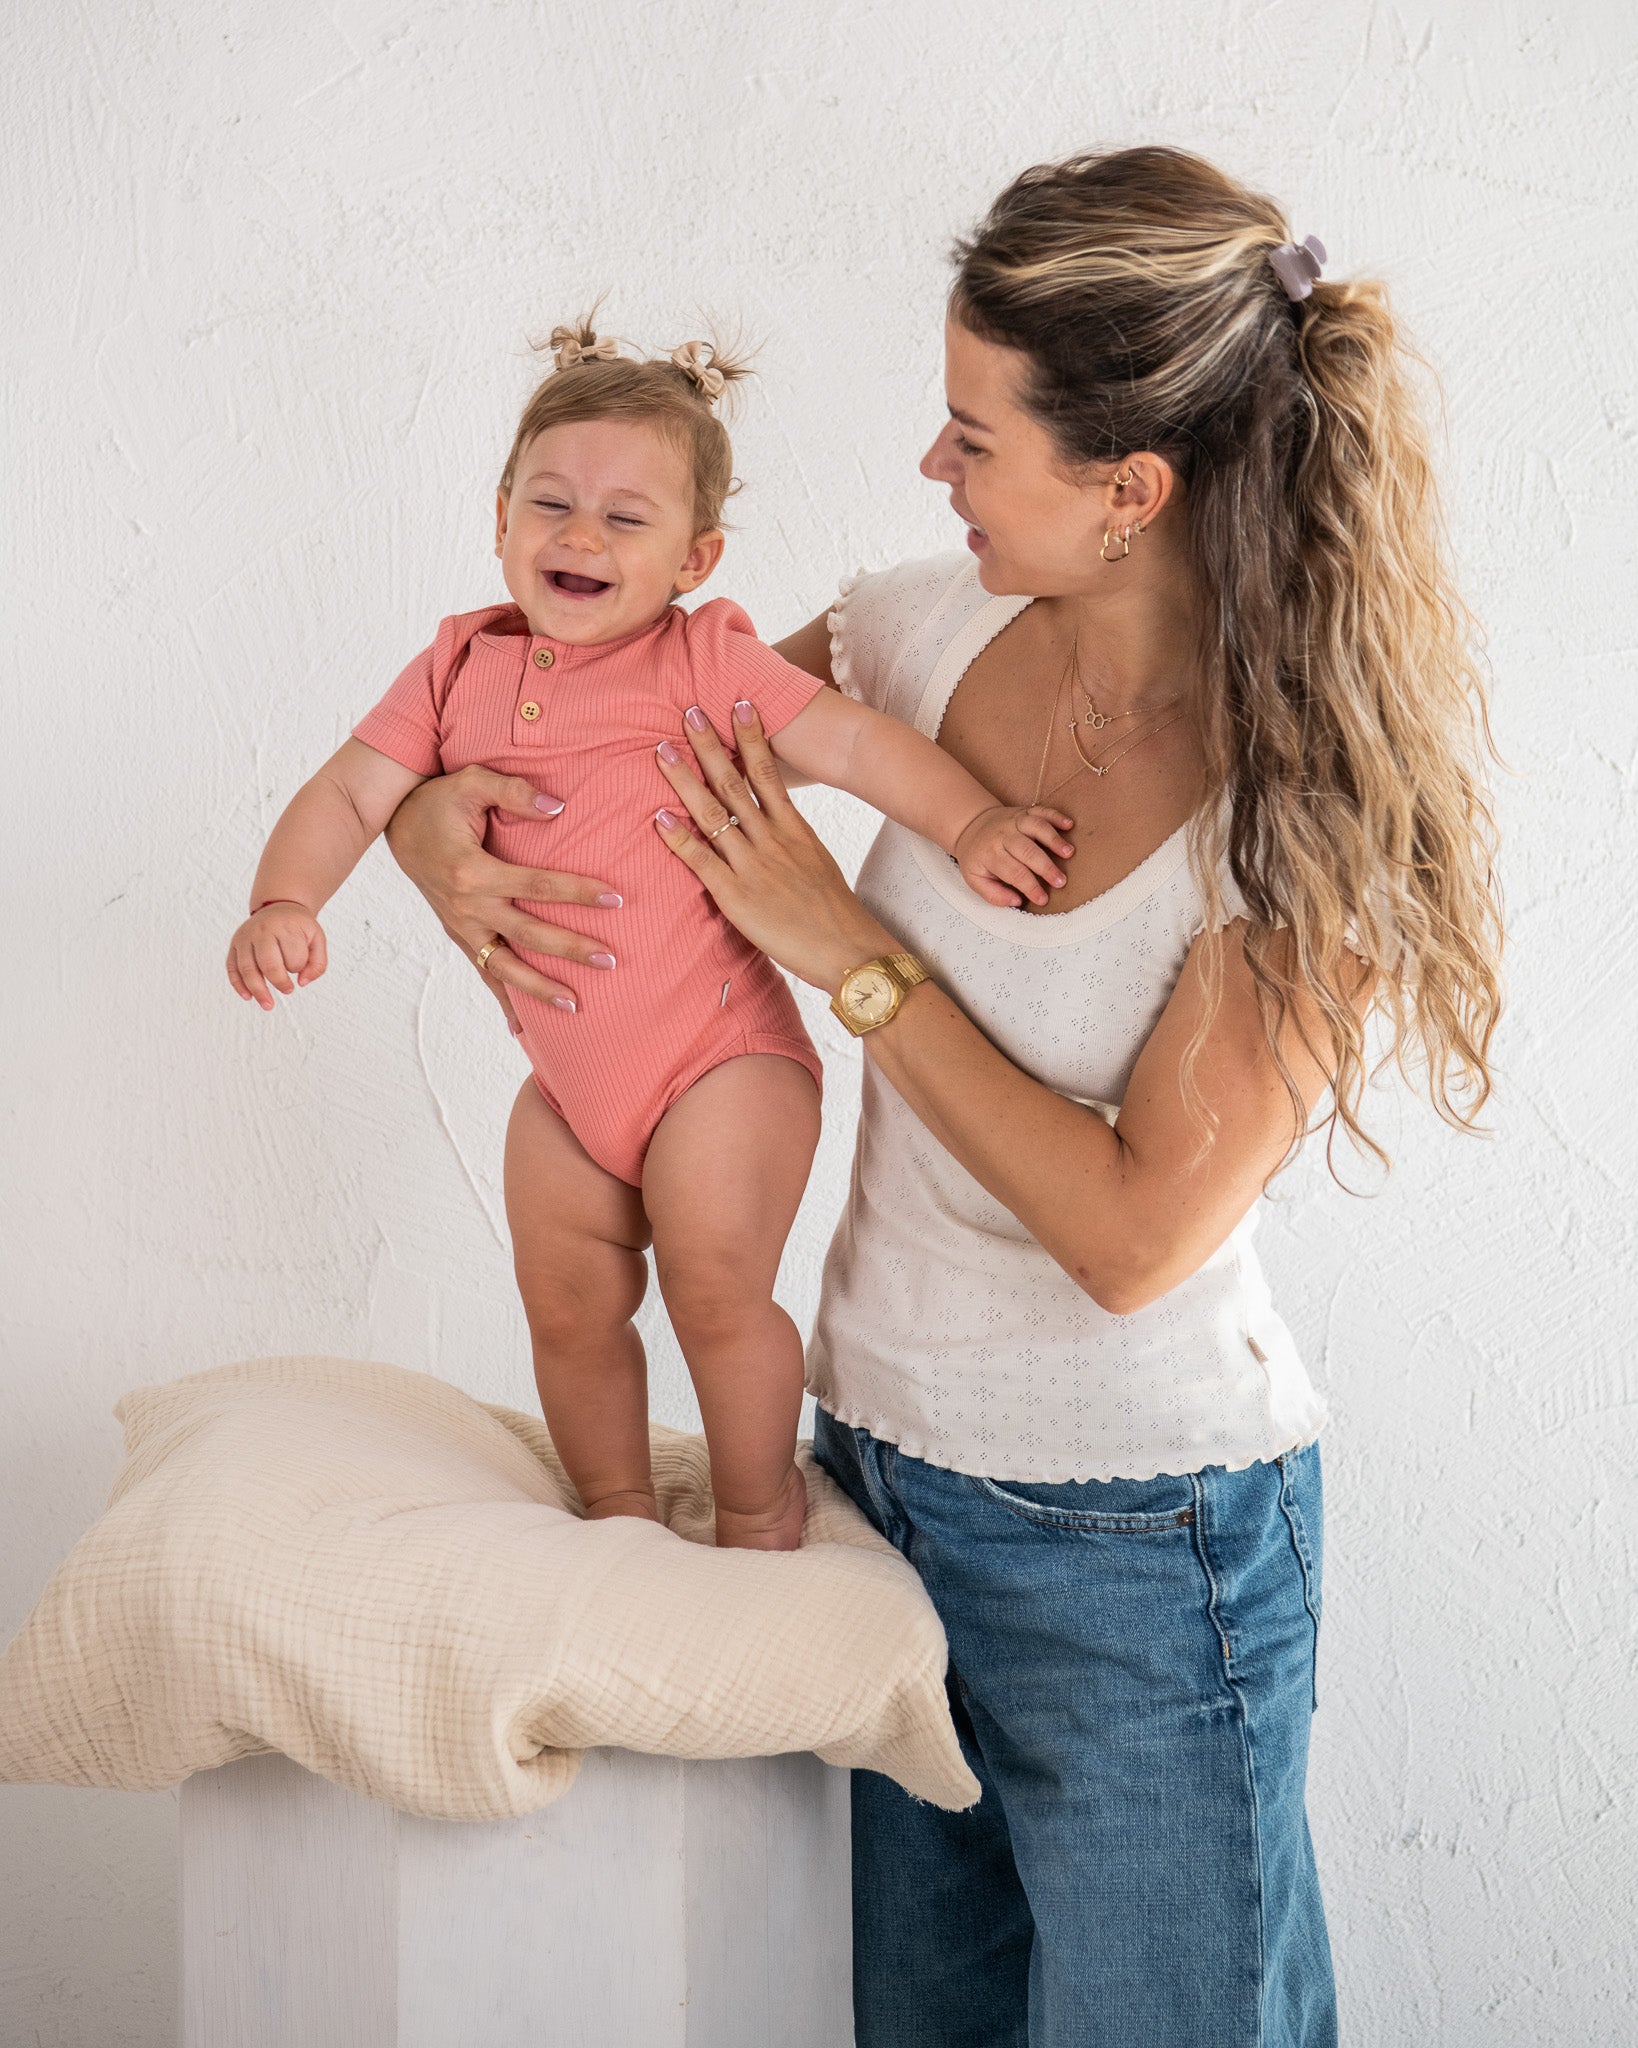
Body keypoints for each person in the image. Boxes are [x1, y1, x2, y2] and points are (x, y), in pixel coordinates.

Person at [378, 148, 1503, 2046]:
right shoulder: (914, 628)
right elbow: (588, 724)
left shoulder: (1299, 810)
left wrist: (850, 956)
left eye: (974, 437)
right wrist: (421, 826)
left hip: (1140, 1556)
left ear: (1126, 491)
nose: (929, 468)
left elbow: (1135, 1234)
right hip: (875, 1490)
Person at [223, 321, 1073, 1552]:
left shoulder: (700, 655)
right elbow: (350, 791)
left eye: (627, 520)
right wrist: (283, 900)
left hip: (719, 1061)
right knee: (565, 1305)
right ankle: (617, 1512)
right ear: (500, 512)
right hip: (570, 1086)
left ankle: (755, 1506)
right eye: (552, 503)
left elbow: (849, 741)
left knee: (714, 1294)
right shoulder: (455, 664)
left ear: (696, 555)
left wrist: (974, 819)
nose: (579, 536)